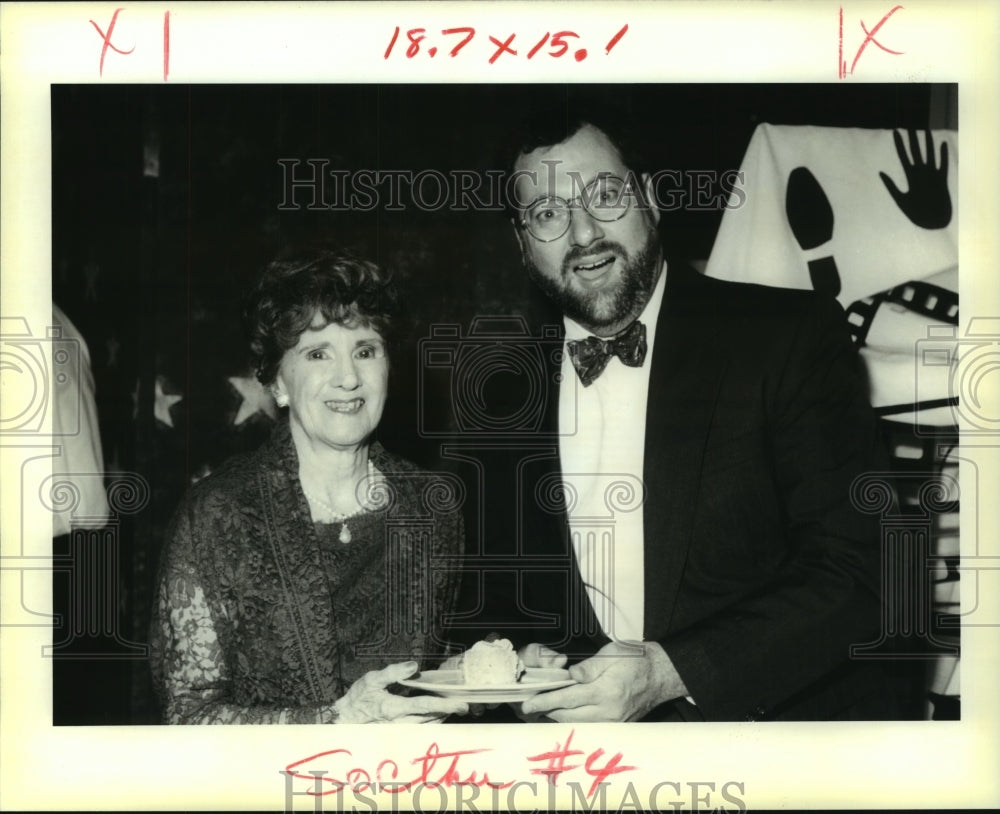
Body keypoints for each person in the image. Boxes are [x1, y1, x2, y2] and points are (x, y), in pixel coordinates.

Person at [460, 110, 891, 722]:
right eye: (549, 214)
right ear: (523, 245)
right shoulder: (500, 395)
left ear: (652, 200)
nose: (583, 234)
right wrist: (516, 653)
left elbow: (862, 572)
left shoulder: (788, 337)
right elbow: (491, 597)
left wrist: (669, 672)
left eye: (605, 195)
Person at [149, 247, 469, 724]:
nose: (348, 377)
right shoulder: (218, 513)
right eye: (318, 354)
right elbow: (189, 715)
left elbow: (427, 672)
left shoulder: (432, 507)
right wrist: (333, 723)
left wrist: (469, 673)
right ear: (277, 382)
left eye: (365, 350)